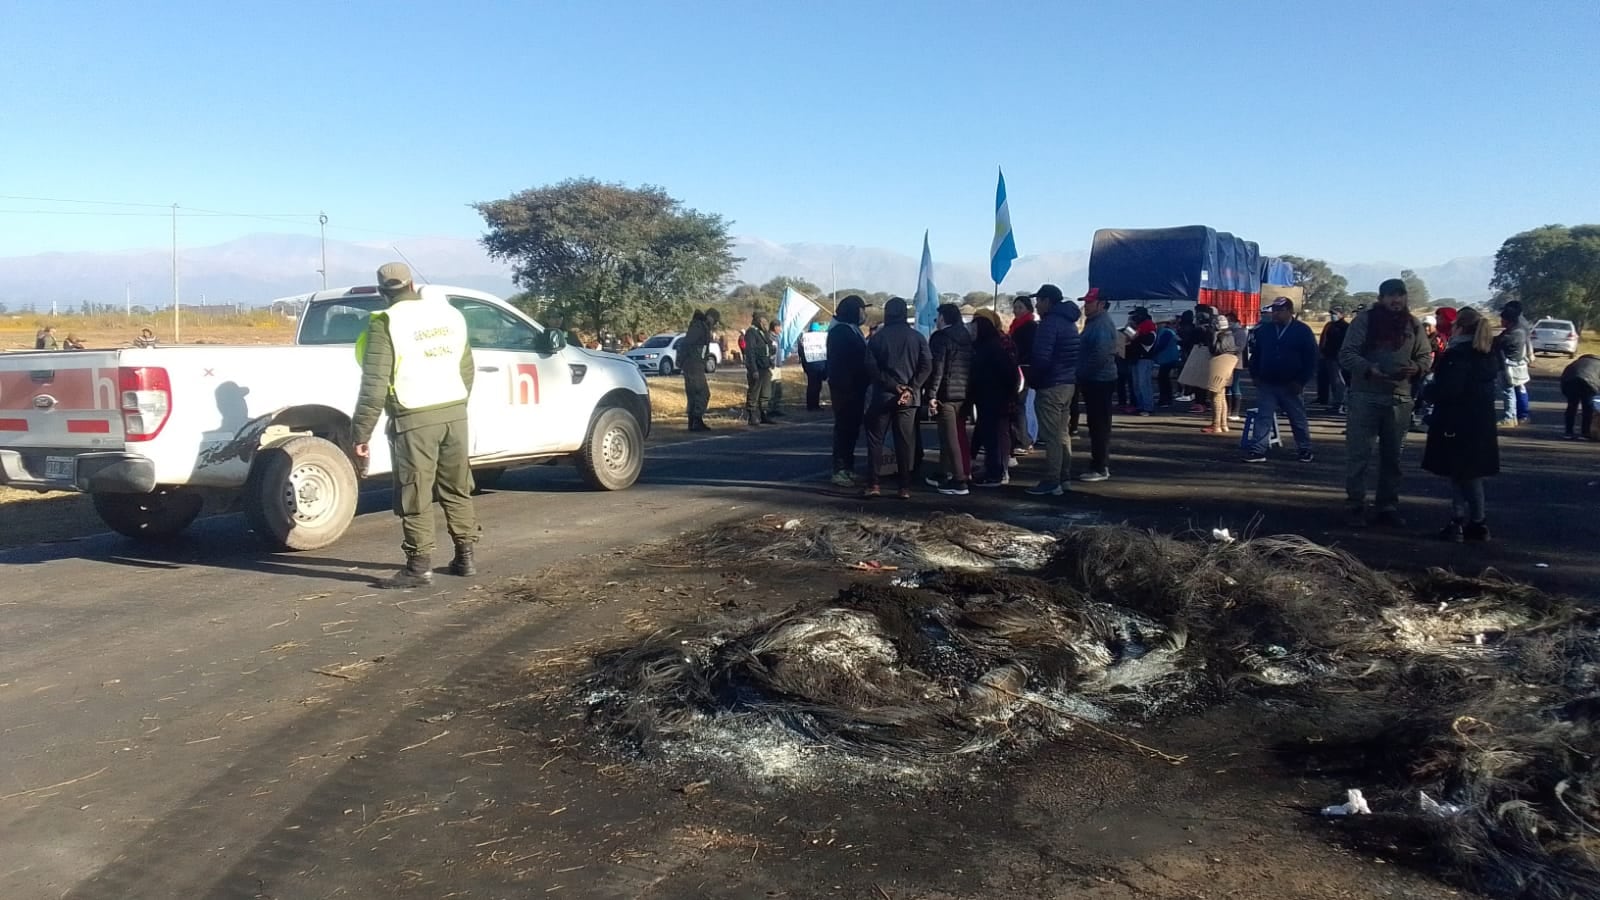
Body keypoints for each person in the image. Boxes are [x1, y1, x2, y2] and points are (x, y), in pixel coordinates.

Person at [351, 263, 479, 588]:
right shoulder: (450, 315)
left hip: (413, 418)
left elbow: (375, 383)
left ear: (382, 292)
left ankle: (419, 566)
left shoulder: (386, 322)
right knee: (457, 486)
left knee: (416, 491)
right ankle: (465, 557)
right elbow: (467, 368)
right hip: (454, 413)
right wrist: (456, 404)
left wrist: (361, 433)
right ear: (411, 284)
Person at [1338, 278, 1434, 527]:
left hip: (1400, 398)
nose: (1396, 300)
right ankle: (1355, 504)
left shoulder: (1413, 324)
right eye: (1391, 296)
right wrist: (1368, 369)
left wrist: (1416, 368)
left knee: (1393, 457)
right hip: (1365, 396)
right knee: (1359, 453)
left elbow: (1425, 356)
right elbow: (1347, 354)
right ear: (1381, 299)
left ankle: (1387, 505)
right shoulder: (1365, 321)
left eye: (1400, 295)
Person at [1422, 307, 1502, 542]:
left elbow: (1449, 389)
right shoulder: (1488, 354)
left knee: (1460, 473)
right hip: (1480, 421)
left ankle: (1466, 521)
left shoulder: (1459, 355)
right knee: (1468, 472)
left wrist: (1428, 391)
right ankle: (1472, 521)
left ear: (1460, 327)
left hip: (1456, 420)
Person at [862, 297, 931, 499]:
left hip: (882, 395)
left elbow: (871, 368)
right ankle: (904, 487)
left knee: (876, 440)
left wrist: (893, 386)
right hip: (909, 399)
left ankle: (874, 484)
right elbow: (927, 366)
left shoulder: (877, 338)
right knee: (905, 441)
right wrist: (912, 388)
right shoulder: (917, 338)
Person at [1244, 297, 1318, 463]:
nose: (1275, 314)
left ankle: (1304, 449)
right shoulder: (1264, 330)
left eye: (1280, 310)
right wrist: (1254, 375)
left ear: (1290, 311)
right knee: (1263, 417)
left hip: (1291, 384)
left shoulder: (1302, 331)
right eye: (1274, 310)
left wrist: (1301, 381)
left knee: (1297, 418)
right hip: (1267, 382)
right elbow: (1255, 354)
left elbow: (1311, 358)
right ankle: (1258, 450)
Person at [1025, 285, 1081, 496]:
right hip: (1068, 382)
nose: (1036, 305)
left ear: (1048, 301)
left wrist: (1034, 380)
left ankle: (1052, 479)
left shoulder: (1049, 324)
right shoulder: (1069, 323)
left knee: (1051, 436)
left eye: (1039, 300)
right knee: (1062, 433)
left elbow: (1041, 358)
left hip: (1051, 384)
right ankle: (1063, 477)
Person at [924, 303, 975, 495]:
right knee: (950, 435)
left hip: (946, 392)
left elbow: (938, 368)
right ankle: (944, 472)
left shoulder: (941, 338)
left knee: (949, 436)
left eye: (938, 319)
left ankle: (959, 479)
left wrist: (931, 395)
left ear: (943, 318)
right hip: (963, 392)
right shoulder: (966, 336)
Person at [969, 310, 1019, 487]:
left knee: (994, 437)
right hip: (990, 397)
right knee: (990, 435)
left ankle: (994, 473)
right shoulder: (990, 346)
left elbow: (1009, 374)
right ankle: (992, 470)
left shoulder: (991, 348)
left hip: (992, 397)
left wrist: (1005, 392)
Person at [826, 296, 871, 486]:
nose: (864, 314)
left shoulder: (851, 329)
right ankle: (839, 470)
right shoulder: (841, 331)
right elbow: (844, 363)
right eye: (861, 309)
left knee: (852, 430)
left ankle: (848, 467)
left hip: (855, 387)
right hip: (845, 389)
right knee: (844, 429)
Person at [1075, 288, 1117, 482]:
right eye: (1085, 302)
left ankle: (1100, 467)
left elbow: (1099, 355)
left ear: (1101, 304)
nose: (1086, 306)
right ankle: (1099, 464)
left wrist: (1082, 374)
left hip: (1099, 381)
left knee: (1099, 425)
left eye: (1090, 302)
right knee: (1096, 424)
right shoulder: (1095, 322)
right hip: (1095, 379)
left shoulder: (1101, 324)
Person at [1009, 295, 1040, 453]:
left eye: (1020, 307)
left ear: (1028, 309)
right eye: (1015, 307)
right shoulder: (1015, 325)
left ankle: (1025, 439)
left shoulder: (1030, 326)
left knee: (1023, 406)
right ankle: (1024, 439)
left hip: (1025, 370)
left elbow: (1028, 349)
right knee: (1021, 406)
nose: (1016, 311)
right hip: (1019, 369)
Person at [1495, 302, 1533, 427]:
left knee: (1510, 391)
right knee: (1518, 389)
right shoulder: (1522, 326)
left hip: (1510, 365)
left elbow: (1498, 343)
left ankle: (1512, 416)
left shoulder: (1514, 332)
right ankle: (1520, 415)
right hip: (1517, 363)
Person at [680, 308, 717, 432]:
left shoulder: (701, 327)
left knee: (693, 394)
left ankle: (693, 421)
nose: (714, 323)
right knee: (703, 393)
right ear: (710, 317)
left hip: (694, 364)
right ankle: (696, 419)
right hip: (693, 364)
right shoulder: (699, 327)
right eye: (714, 320)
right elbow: (687, 343)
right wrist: (682, 361)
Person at [743, 315, 776, 425]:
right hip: (757, 367)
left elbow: (769, 347)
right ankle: (752, 416)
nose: (765, 324)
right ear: (758, 321)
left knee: (765, 392)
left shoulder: (764, 333)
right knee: (754, 392)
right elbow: (750, 352)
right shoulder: (751, 333)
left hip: (765, 366)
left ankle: (764, 414)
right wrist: (753, 370)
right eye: (763, 322)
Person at [1560, 354, 1600, 440]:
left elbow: (1564, 376)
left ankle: (1568, 432)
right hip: (1589, 384)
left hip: (1570, 382)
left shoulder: (1576, 362)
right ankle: (1585, 433)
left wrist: (1566, 392)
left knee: (1571, 407)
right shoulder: (1598, 364)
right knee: (1587, 408)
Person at [1318, 307, 1350, 412]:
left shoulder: (1346, 327)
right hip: (1330, 357)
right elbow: (1324, 340)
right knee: (1334, 382)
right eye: (1331, 314)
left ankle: (1340, 404)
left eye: (1335, 314)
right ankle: (1337, 402)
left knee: (1339, 382)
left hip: (1339, 358)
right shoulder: (1330, 326)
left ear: (1342, 314)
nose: (1332, 316)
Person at [1128, 313, 1157, 415]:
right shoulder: (1138, 331)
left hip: (1145, 359)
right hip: (1136, 359)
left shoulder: (1150, 332)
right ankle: (1140, 405)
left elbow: (1148, 342)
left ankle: (1148, 407)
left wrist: (1137, 335)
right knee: (1137, 385)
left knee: (1144, 384)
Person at [799, 322, 828, 411]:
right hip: (818, 366)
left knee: (813, 386)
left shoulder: (804, 339)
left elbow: (801, 354)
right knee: (815, 386)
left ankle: (813, 405)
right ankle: (813, 405)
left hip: (810, 366)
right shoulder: (820, 338)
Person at [1152, 318, 1182, 406]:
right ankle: (1166, 398)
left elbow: (1161, 345)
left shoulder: (1166, 332)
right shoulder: (1169, 332)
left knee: (1163, 378)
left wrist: (1152, 352)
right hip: (1169, 358)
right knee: (1164, 378)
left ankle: (1165, 399)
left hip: (1167, 358)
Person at [767, 320, 787, 418]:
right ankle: (769, 409)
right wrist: (771, 364)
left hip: (777, 366)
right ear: (775, 327)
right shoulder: (769, 338)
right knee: (772, 388)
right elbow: (770, 353)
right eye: (779, 327)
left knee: (778, 388)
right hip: (772, 367)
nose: (780, 329)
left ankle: (776, 407)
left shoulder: (777, 338)